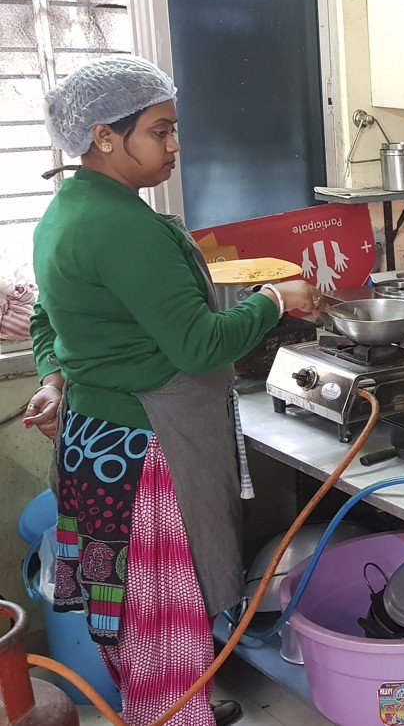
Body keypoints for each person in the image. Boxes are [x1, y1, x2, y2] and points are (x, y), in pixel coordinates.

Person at [23, 55, 320, 726]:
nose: (175, 146)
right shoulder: (122, 226)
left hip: (98, 445)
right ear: (104, 135)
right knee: (163, 618)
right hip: (149, 450)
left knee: (137, 621)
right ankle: (176, 713)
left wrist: (53, 376)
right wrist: (276, 298)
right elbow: (199, 345)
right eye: (161, 131)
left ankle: (166, 706)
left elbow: (51, 317)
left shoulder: (69, 209)